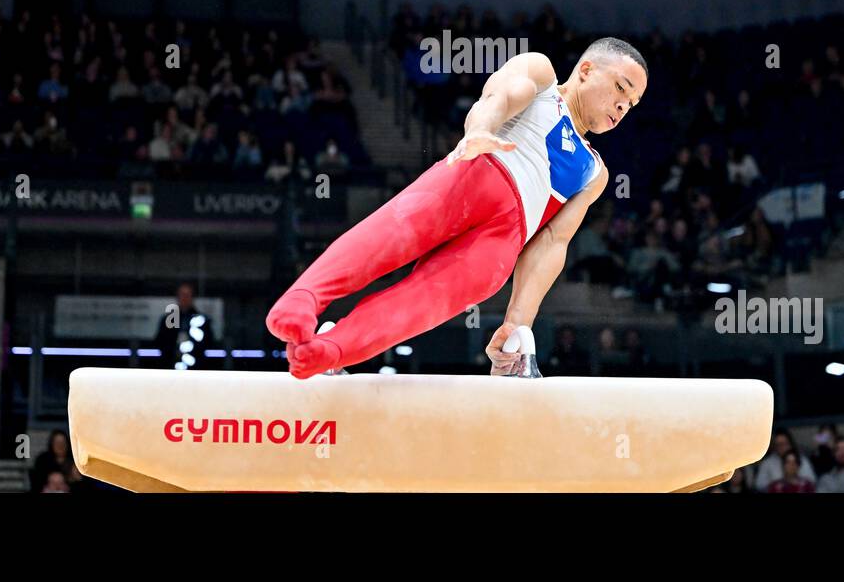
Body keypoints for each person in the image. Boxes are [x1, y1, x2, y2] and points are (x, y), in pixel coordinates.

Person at [265, 40, 646, 378]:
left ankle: (331, 349)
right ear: (586, 70)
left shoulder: (594, 172)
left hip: (500, 244)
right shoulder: (543, 77)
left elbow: (552, 243)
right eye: (620, 88)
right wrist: (480, 130)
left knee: (420, 305)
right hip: (476, 175)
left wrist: (517, 323)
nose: (622, 106)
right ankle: (302, 301)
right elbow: (499, 97)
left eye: (631, 104)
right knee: (385, 239)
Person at [151, 282, 215, 371]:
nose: (185, 298)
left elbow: (208, 343)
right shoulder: (169, 320)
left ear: (192, 297)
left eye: (187, 295)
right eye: (182, 295)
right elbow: (160, 342)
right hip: (170, 364)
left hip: (196, 366)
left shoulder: (201, 320)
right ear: (178, 297)